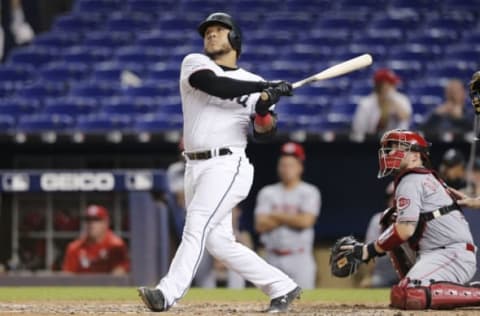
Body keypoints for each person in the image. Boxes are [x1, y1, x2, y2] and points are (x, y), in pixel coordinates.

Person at [138, 12, 300, 313]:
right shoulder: (195, 63)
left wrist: (265, 105)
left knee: (196, 223)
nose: (211, 34)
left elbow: (264, 133)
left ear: (235, 39)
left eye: (219, 30)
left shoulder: (253, 83)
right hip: (194, 165)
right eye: (208, 31)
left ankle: (167, 293)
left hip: (228, 164)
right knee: (219, 243)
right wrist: (265, 87)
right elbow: (215, 85)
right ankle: (282, 286)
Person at [342, 129, 478, 310]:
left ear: (415, 156)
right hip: (440, 253)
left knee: (410, 293)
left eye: (397, 149)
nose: (390, 153)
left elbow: (405, 230)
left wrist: (367, 250)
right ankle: (419, 281)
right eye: (389, 150)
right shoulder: (425, 177)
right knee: (391, 218)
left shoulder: (411, 179)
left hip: (451, 254)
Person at [254, 142, 320, 289]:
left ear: (300, 168)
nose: (286, 169)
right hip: (271, 257)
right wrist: (293, 217)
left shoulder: (309, 192)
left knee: (304, 306)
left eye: (291, 165)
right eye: (283, 165)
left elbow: (306, 221)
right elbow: (260, 225)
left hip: (300, 258)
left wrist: (275, 215)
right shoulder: (267, 192)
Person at [62, 205, 130, 274]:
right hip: (82, 284)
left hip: (107, 284)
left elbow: (119, 274)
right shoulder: (74, 247)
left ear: (106, 223)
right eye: (88, 220)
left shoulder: (115, 246)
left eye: (96, 220)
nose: (91, 224)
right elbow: (68, 276)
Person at [351, 68, 412, 142]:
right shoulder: (366, 103)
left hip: (396, 143)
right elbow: (358, 130)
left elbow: (405, 118)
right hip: (370, 143)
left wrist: (393, 103)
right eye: (389, 84)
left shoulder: (401, 99)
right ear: (380, 86)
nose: (393, 86)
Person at [359, 182, 398, 288]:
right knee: (371, 283)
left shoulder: (417, 218)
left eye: (397, 197)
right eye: (391, 197)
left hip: (410, 273)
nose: (394, 201)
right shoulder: (378, 219)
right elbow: (370, 251)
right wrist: (368, 276)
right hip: (384, 274)